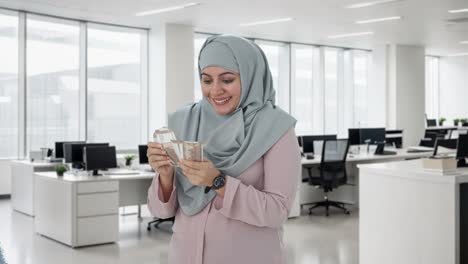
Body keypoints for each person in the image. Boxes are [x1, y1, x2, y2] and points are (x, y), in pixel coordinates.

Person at [147, 35, 301, 264]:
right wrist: (165, 177)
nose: (215, 91)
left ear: (250, 77)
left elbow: (277, 211)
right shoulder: (184, 121)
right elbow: (161, 212)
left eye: (227, 80)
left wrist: (218, 182)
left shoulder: (276, 129)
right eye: (207, 80)